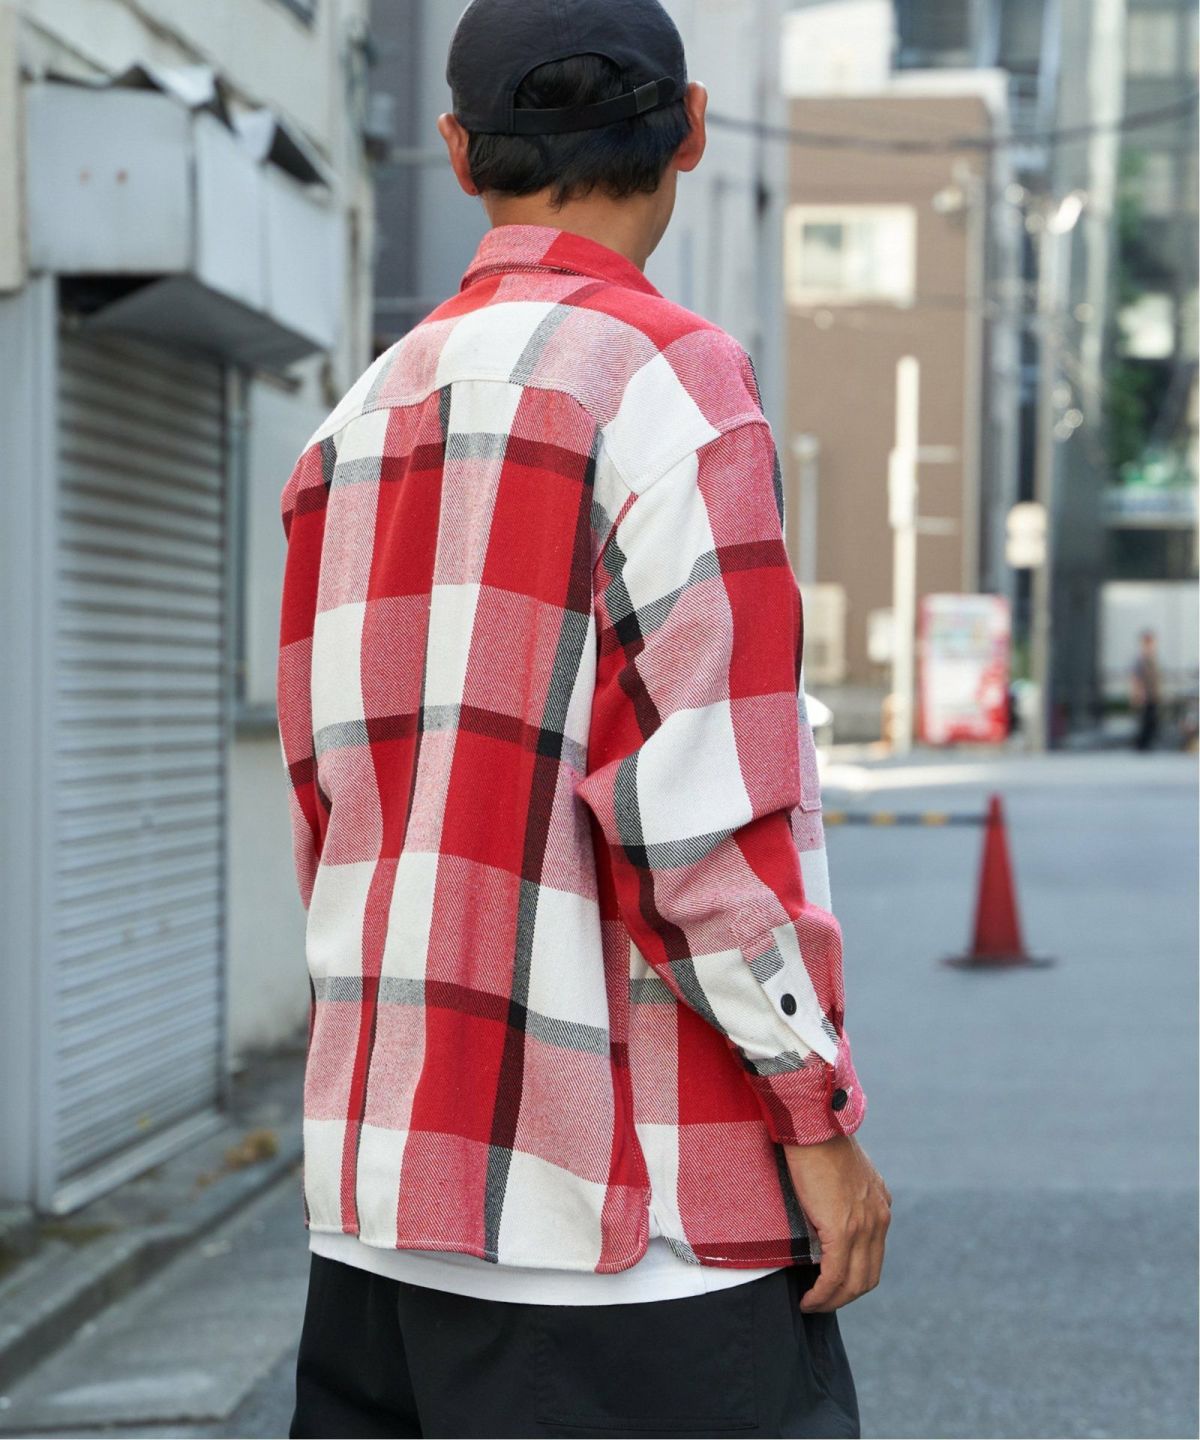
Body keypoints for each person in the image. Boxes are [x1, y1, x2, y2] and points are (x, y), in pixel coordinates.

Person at [278, 2, 890, 1434]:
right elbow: (703, 818)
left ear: (458, 150)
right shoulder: (677, 387)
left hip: (385, 1207)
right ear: (690, 129)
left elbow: (325, 809)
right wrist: (816, 1113)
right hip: (632, 1232)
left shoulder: (350, 426)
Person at [1130, 628, 1162, 751]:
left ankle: (1147, 743)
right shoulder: (1140, 660)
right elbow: (1136, 678)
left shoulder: (1152, 659)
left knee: (1152, 720)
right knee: (1144, 721)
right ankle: (1141, 745)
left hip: (1152, 695)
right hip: (1144, 695)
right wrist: (1138, 694)